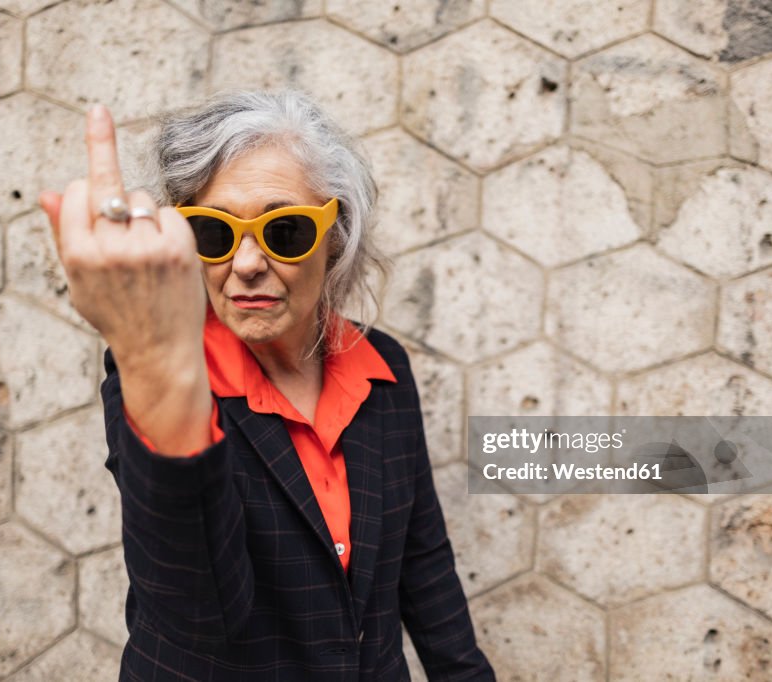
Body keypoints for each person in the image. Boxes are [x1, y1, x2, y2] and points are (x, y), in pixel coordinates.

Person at [39, 88, 495, 681]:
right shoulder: (159, 377)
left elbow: (422, 562)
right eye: (213, 234)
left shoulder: (382, 365)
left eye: (284, 231)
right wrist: (151, 353)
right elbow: (197, 604)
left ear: (335, 238)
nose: (248, 263)